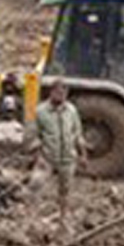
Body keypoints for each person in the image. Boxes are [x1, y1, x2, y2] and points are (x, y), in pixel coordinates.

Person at [33, 82, 83, 233]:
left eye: (64, 94)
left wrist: (83, 155)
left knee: (65, 191)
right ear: (51, 92)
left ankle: (63, 220)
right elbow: (35, 136)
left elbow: (77, 134)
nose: (61, 97)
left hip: (68, 158)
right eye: (58, 93)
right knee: (36, 186)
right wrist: (37, 156)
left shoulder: (71, 111)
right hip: (48, 158)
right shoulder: (40, 111)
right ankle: (35, 222)